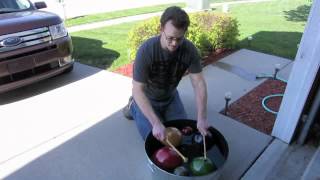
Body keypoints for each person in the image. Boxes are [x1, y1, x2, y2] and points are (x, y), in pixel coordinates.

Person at [123, 6, 209, 141]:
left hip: (170, 97)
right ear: (161, 29)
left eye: (179, 38)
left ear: (185, 32)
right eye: (170, 38)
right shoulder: (146, 51)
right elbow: (138, 90)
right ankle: (133, 106)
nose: (174, 43)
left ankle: (157, 114)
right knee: (156, 139)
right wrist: (156, 123)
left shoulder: (190, 50)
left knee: (181, 135)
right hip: (147, 98)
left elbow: (199, 83)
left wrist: (202, 117)